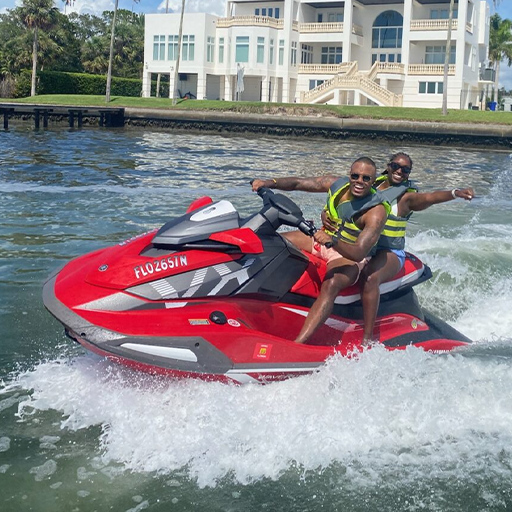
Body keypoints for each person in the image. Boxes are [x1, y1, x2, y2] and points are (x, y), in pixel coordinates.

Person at [252, 157, 390, 344]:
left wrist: (333, 241)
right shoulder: (337, 185)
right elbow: (299, 183)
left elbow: (358, 252)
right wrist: (268, 183)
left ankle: (299, 344)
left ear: (373, 181)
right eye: (355, 176)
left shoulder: (376, 211)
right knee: (271, 242)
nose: (359, 181)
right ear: (349, 175)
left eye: (366, 178)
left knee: (331, 284)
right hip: (320, 239)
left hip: (347, 254)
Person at [355, 152, 474, 345]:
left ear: (408, 174)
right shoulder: (371, 184)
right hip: (364, 246)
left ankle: (367, 339)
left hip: (390, 251)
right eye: (396, 166)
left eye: (405, 169)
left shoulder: (406, 198)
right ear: (388, 166)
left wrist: (455, 193)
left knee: (370, 278)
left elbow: (430, 197)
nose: (399, 171)